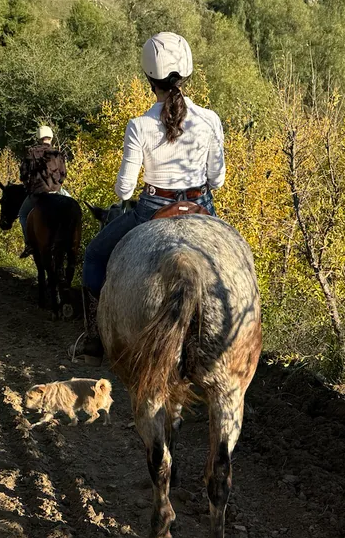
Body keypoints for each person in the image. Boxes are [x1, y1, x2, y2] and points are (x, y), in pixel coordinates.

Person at [78, 32, 225, 361]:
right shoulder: (211, 120)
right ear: (186, 74)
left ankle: (94, 338)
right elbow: (218, 179)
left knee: (94, 256)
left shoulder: (139, 125)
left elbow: (125, 190)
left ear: (149, 77)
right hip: (202, 208)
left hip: (152, 211)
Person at [18, 124, 69, 257]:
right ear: (51, 137)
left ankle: (29, 244)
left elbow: (23, 175)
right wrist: (56, 185)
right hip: (55, 192)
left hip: (38, 194)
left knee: (22, 214)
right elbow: (63, 175)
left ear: (38, 138)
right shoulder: (57, 154)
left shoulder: (31, 153)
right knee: (75, 205)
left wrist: (29, 185)